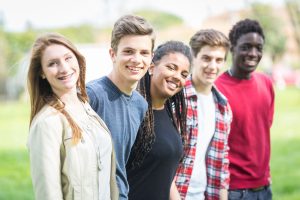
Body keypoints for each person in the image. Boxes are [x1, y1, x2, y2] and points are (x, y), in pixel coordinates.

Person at [27, 33, 118, 200]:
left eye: (68, 58)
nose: (64, 68)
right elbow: (48, 194)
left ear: (77, 59)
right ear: (42, 73)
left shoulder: (88, 109)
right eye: (53, 63)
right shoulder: (47, 123)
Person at [86, 14, 155, 200]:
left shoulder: (140, 105)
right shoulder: (91, 95)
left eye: (144, 53)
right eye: (128, 51)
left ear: (151, 58)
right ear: (113, 54)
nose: (136, 59)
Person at [215, 19, 275, 200]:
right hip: (233, 190)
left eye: (258, 48)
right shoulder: (217, 90)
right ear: (232, 47)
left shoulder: (266, 83)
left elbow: (263, 129)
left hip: (264, 188)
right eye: (246, 47)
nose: (253, 53)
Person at [126, 40, 192, 200]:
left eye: (184, 74)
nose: (177, 77)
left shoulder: (170, 114)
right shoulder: (130, 112)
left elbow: (165, 177)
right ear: (152, 67)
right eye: (171, 67)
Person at [172, 29, 232, 200]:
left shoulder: (223, 107)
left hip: (205, 194)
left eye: (219, 60)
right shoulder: (176, 98)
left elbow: (222, 160)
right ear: (193, 58)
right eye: (206, 58)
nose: (213, 66)